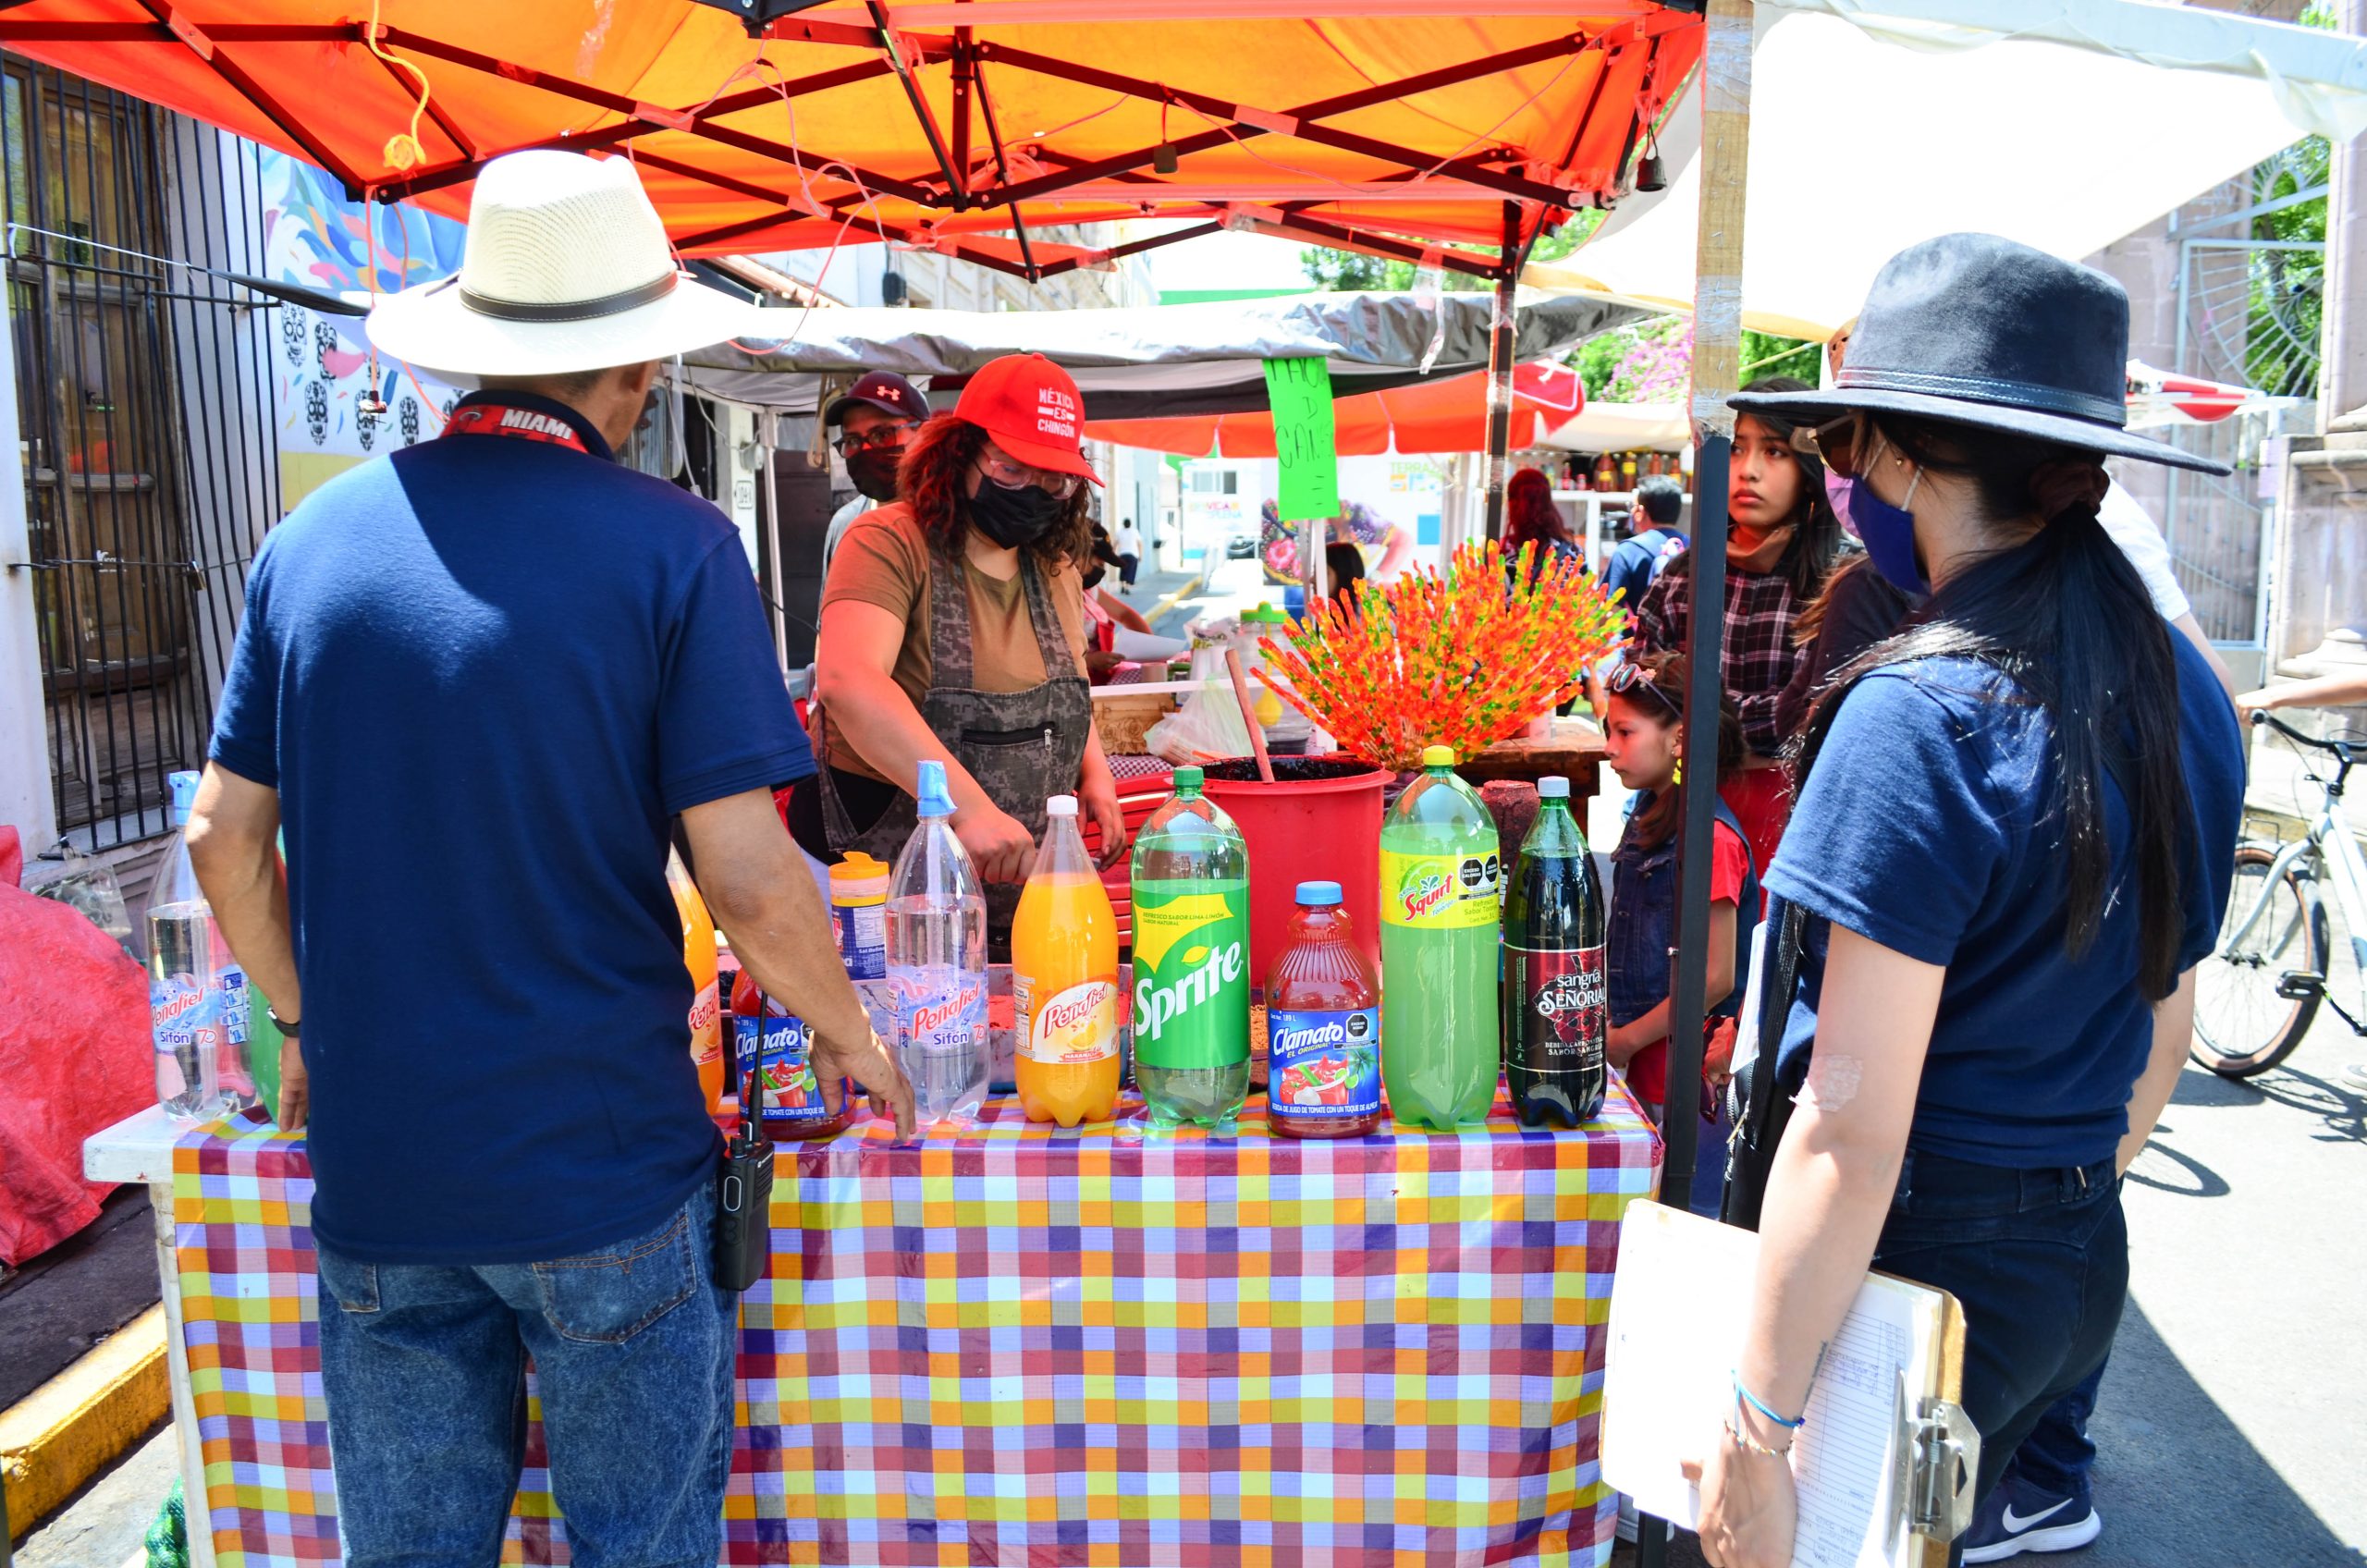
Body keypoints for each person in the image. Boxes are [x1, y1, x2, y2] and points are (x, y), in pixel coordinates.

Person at [180, 152, 915, 1568]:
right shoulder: (677, 550)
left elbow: (222, 839)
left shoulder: (307, 545)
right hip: (600, 1177)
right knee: (638, 1545)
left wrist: (297, 1021)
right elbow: (753, 881)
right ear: (633, 368)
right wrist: (852, 1034)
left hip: (384, 1183)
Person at [1687, 235, 2244, 1568]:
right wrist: (2059, 1195)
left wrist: (1757, 1426)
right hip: (2072, 1255)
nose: (1839, 479)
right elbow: (2166, 1018)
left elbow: (1846, 1121)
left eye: (1848, 448)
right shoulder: (2186, 684)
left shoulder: (1919, 709)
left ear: (1909, 458)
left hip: (1916, 1257)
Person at [798, 352, 1127, 954]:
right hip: (881, 890)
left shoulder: (1051, 563)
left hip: (1008, 898)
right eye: (1010, 468)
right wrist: (967, 812)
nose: (1034, 490)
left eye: (1053, 478)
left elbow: (1070, 684)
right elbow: (849, 680)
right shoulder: (888, 542)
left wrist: (1096, 773)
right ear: (960, 452)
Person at [1631, 375, 1844, 877]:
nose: (1748, 471)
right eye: (1735, 449)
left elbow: (1811, 712)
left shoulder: (1842, 581)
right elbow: (1643, 689)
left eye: (1774, 452)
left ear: (1809, 467)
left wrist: (1696, 713)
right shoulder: (1682, 575)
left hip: (1792, 819)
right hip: (1679, 808)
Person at [1598, 651, 1757, 1218]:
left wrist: (1625, 1040)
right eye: (1606, 730)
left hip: (1681, 1081)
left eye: (1624, 731)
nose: (1609, 747)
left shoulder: (1710, 840)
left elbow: (1715, 977)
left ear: (1680, 739)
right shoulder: (1651, 812)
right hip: (1645, 1064)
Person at [821, 371, 931, 582]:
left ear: (925, 434)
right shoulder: (845, 524)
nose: (866, 449)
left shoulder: (958, 520)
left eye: (882, 435)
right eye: (852, 440)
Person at [1257, 497, 1412, 587]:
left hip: (1340, 617)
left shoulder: (1354, 516)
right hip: (1281, 615)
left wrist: (1374, 579)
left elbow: (1402, 540)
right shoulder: (1269, 513)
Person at [1601, 474, 1688, 608]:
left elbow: (1609, 611)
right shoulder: (1694, 548)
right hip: (1687, 629)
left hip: (1640, 629)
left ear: (1639, 511)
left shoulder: (1628, 551)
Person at [1502, 465, 1583, 583]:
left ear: (1512, 504)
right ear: (1548, 502)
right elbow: (1585, 595)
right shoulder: (1572, 551)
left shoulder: (1504, 550)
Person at [1324, 539, 1367, 616]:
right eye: (1315, 572)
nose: (1312, 579)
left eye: (1325, 573)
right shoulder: (1327, 610)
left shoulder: (1372, 615)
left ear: (1343, 575)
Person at [1113, 516, 1145, 591]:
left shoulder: (1119, 532)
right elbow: (1140, 544)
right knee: (1130, 571)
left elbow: (1115, 544)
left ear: (1123, 524)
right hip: (1133, 555)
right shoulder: (1135, 531)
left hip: (1122, 554)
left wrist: (1113, 554)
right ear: (1130, 524)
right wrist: (1140, 555)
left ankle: (1123, 586)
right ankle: (1127, 587)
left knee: (1123, 570)